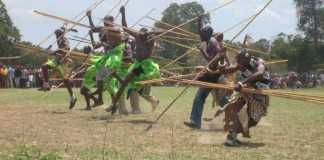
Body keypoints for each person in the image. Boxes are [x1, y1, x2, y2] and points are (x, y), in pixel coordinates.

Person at [107, 6, 162, 114]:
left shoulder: (151, 39)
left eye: (144, 34)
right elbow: (125, 27)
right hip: (137, 64)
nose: (142, 36)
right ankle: (115, 105)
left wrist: (150, 33)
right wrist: (123, 13)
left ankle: (120, 105)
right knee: (128, 85)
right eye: (141, 34)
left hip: (145, 66)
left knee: (129, 84)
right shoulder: (137, 36)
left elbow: (161, 30)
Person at [183, 15, 228, 129]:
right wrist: (199, 21)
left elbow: (215, 58)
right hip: (210, 73)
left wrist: (202, 51)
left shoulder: (212, 42)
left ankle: (238, 116)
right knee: (199, 97)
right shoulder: (206, 39)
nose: (200, 34)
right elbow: (200, 30)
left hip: (217, 74)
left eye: (202, 33)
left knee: (222, 100)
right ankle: (195, 122)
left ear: (207, 34)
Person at [220, 49, 271, 146]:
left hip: (260, 91)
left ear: (247, 58)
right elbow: (224, 70)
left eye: (240, 60)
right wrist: (221, 58)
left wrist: (241, 83)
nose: (238, 63)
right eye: (238, 60)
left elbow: (259, 74)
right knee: (237, 108)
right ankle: (232, 136)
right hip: (246, 90)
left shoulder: (259, 62)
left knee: (253, 121)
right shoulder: (240, 65)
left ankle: (233, 134)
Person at [84, 10, 128, 114]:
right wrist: (89, 17)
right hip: (107, 56)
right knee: (99, 75)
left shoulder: (116, 29)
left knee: (109, 71)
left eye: (106, 22)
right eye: (104, 22)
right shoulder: (105, 29)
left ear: (112, 21)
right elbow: (93, 29)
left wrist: (104, 29)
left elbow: (115, 30)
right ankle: (100, 99)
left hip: (115, 56)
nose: (104, 24)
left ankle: (122, 82)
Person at [40, 27, 77, 109]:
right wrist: (52, 52)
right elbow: (58, 51)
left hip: (64, 61)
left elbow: (66, 49)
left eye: (58, 34)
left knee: (66, 80)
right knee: (44, 66)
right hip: (57, 60)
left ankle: (72, 97)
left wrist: (55, 52)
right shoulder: (59, 39)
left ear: (61, 34)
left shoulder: (65, 40)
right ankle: (46, 84)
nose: (56, 36)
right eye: (56, 35)